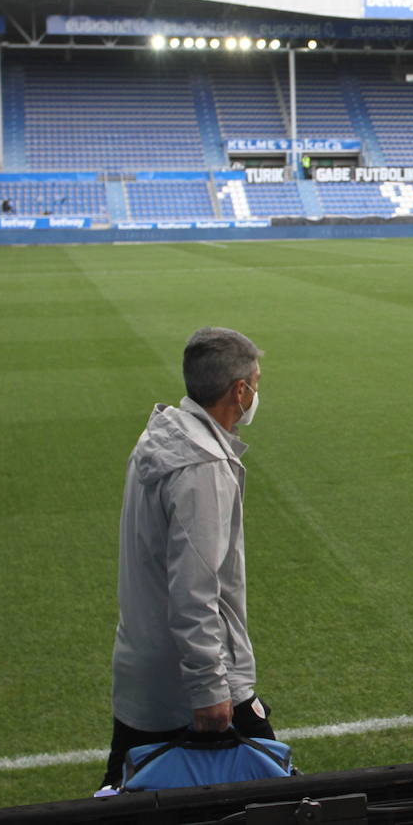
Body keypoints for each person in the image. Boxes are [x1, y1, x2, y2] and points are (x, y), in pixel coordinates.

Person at [100, 327, 274, 790]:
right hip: (193, 687)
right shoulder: (203, 467)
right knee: (274, 791)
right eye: (257, 381)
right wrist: (209, 688)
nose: (258, 391)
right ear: (240, 390)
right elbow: (196, 589)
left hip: (145, 670)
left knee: (123, 790)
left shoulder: (164, 433)